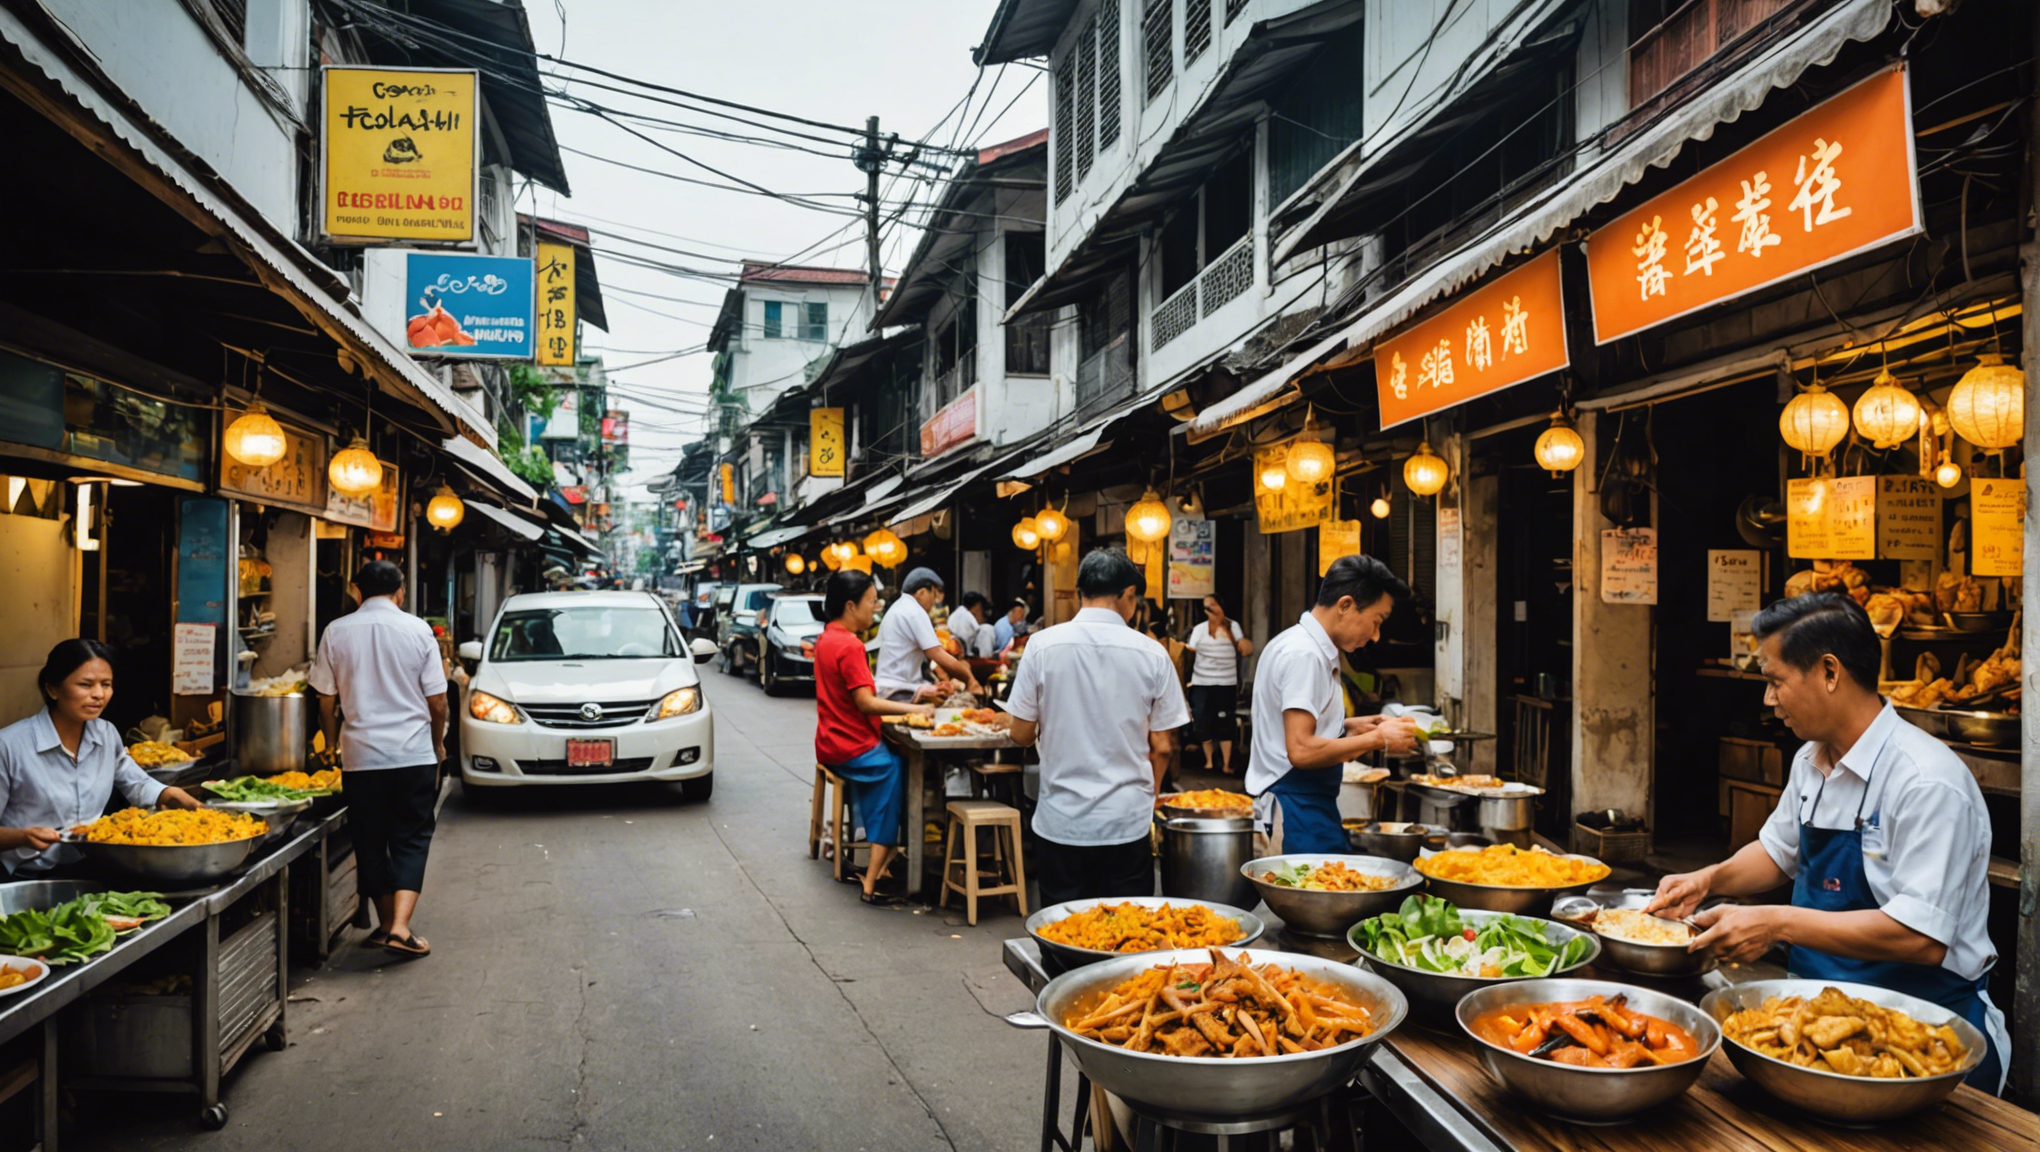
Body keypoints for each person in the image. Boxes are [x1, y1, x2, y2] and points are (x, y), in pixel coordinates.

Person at [1646, 592, 2009, 1092]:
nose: (1768, 699)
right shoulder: (1811, 760)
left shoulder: (1926, 781)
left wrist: (1776, 922)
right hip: (1819, 1029)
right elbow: (1777, 852)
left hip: (1922, 1039)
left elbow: (1921, 938)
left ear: (1830, 672)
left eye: (1775, 681)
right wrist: (1708, 880)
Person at [1005, 549, 1190, 906]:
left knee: (1062, 932)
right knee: (1126, 939)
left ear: (1080, 593)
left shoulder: (1042, 646)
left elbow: (1020, 733)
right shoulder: (1152, 654)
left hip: (1061, 821)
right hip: (1126, 822)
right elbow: (1163, 746)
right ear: (1127, 596)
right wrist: (1148, 797)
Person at [310, 561, 449, 960]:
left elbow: (324, 698)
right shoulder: (418, 629)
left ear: (357, 591)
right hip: (412, 753)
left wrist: (332, 740)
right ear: (400, 592)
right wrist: (437, 744)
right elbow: (437, 701)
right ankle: (399, 928)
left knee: (370, 841)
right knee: (412, 838)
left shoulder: (336, 631)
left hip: (361, 756)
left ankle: (389, 927)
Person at [1248, 555, 1421, 854]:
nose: (1376, 635)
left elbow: (1293, 725)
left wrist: (1352, 727)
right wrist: (1379, 738)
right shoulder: (1306, 655)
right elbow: (1301, 749)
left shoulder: (1298, 643)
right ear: (1345, 605)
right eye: (1376, 621)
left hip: (1304, 806)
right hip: (1296, 811)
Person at [0, 640, 202, 873]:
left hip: (89, 866)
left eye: (106, 684)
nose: (98, 694)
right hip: (22, 875)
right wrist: (22, 837)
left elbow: (136, 781)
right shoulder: (10, 746)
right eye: (86, 685)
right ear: (52, 689)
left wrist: (167, 793)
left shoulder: (105, 734)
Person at [814, 568, 936, 906]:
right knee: (894, 768)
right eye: (871, 601)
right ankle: (873, 880)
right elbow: (865, 702)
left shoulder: (827, 637)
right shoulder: (850, 645)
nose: (876, 608)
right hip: (850, 746)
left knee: (891, 759)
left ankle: (878, 855)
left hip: (829, 740)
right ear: (851, 606)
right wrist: (916, 711)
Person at [873, 567, 982, 703]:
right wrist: (970, 680)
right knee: (959, 706)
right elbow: (937, 654)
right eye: (934, 595)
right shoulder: (914, 611)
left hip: (893, 687)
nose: (935, 602)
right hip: (899, 691)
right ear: (922, 592)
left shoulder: (900, 607)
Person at [1184, 594, 1252, 774]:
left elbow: (1245, 650)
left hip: (1226, 682)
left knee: (1225, 721)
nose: (1210, 609)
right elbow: (1189, 652)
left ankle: (1226, 764)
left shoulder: (1233, 626)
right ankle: (1208, 761)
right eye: (1206, 606)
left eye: (1213, 605)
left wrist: (1226, 628)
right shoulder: (1199, 629)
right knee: (1202, 720)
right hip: (1202, 681)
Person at [949, 591, 995, 659]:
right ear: (977, 606)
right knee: (987, 629)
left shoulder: (956, 614)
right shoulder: (968, 617)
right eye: (982, 609)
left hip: (952, 652)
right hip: (961, 655)